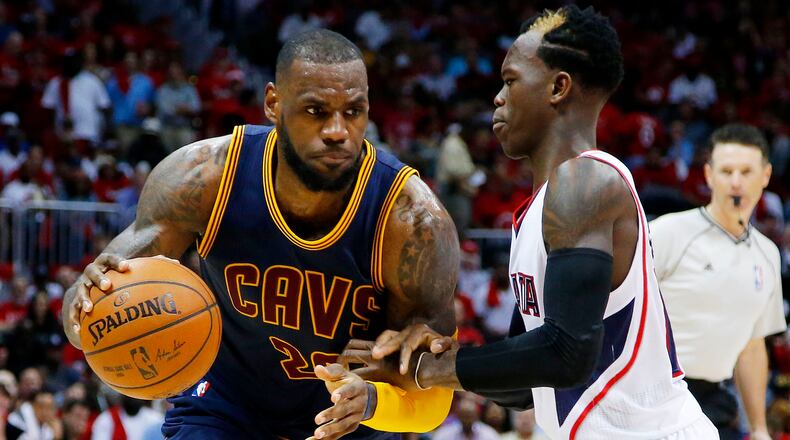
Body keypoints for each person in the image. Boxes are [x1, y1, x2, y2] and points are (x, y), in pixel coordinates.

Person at [62, 29, 456, 440]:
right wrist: (84, 306)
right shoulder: (204, 178)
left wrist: (377, 402)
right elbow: (83, 312)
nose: (338, 130)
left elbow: (434, 400)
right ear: (273, 103)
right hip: (225, 404)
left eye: (353, 111)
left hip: (350, 418)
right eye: (316, 111)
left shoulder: (412, 222)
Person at [346, 6, 717, 439]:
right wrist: (414, 367)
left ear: (558, 87)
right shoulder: (539, 212)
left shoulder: (586, 180)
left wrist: (429, 370)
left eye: (510, 81)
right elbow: (526, 388)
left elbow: (566, 353)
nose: (497, 98)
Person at [649, 124, 786, 440]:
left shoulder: (768, 254)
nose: (736, 181)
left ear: (765, 176)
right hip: (655, 398)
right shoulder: (669, 233)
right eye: (726, 171)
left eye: (746, 171)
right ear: (709, 175)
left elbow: (752, 347)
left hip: (715, 403)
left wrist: (759, 428)